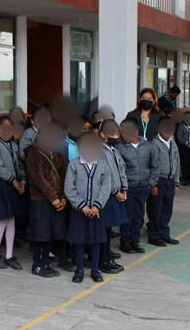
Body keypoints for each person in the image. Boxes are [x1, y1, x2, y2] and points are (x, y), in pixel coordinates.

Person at [64, 134, 110, 283]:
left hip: (97, 212)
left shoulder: (103, 165)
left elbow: (106, 187)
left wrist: (97, 205)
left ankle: (95, 270)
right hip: (80, 211)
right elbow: (69, 188)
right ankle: (79, 270)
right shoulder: (74, 165)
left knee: (96, 241)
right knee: (79, 241)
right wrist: (81, 205)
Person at [25, 125, 68, 277]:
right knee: (40, 234)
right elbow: (39, 179)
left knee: (50, 233)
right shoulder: (34, 153)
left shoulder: (56, 153)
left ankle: (46, 263)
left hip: (56, 200)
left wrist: (62, 196)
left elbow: (63, 176)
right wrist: (53, 197)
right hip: (41, 200)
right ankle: (38, 264)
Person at [0, 116, 25, 270]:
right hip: (3, 184)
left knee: (11, 220)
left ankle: (9, 255)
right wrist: (12, 180)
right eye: (4, 128)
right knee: (3, 219)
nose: (7, 131)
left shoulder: (13, 145)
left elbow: (19, 165)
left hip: (14, 185)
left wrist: (22, 181)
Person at [117, 117, 158, 254]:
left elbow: (154, 166)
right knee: (127, 215)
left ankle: (135, 240)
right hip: (128, 188)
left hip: (143, 187)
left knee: (138, 216)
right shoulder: (120, 149)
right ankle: (125, 241)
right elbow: (118, 170)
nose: (123, 135)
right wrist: (122, 187)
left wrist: (151, 184)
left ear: (135, 132)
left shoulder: (148, 147)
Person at [98, 120, 128, 274]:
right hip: (107, 196)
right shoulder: (100, 152)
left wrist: (124, 189)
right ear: (102, 134)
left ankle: (107, 256)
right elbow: (105, 175)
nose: (115, 135)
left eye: (116, 131)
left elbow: (121, 170)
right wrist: (116, 192)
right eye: (111, 131)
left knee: (109, 229)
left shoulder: (114, 150)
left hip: (117, 194)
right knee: (104, 229)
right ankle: (103, 261)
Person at [147, 117, 180, 247]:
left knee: (167, 208)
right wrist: (153, 184)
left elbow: (177, 163)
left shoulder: (173, 143)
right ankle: (154, 235)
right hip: (159, 180)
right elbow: (152, 165)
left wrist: (176, 182)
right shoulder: (154, 145)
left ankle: (164, 234)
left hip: (170, 180)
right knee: (156, 208)